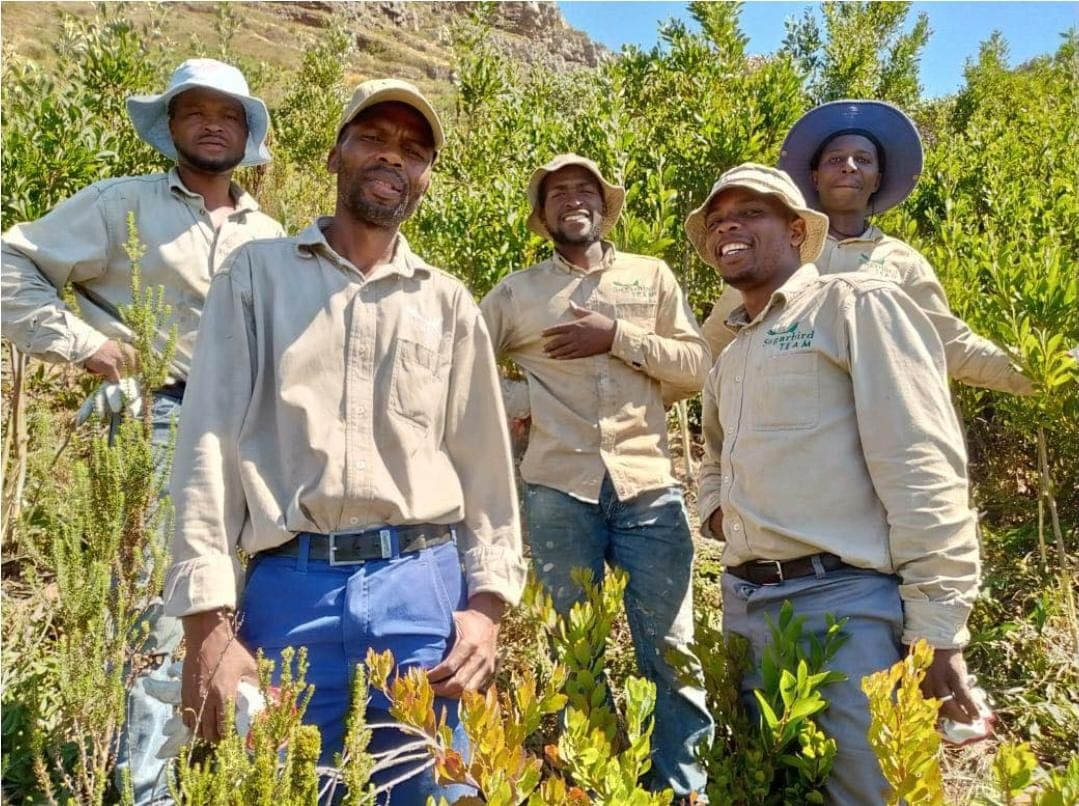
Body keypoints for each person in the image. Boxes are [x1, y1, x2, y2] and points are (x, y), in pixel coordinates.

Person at [163, 78, 526, 803]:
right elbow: (205, 442)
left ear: (425, 177)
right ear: (335, 155)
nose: (393, 159)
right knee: (286, 786)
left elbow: (485, 465)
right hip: (288, 590)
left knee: (427, 788)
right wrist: (205, 621)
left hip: (421, 588)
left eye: (413, 150)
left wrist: (486, 607)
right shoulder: (255, 277)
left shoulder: (447, 301)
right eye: (373, 139)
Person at [1, 58, 283, 804]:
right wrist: (86, 346)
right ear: (170, 126)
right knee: (160, 614)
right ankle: (142, 786)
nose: (211, 123)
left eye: (228, 112)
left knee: (240, 608)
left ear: (247, 129)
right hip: (158, 424)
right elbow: (9, 263)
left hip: (254, 438)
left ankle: (211, 772)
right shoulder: (120, 204)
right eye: (194, 111)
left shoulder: (272, 231)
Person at [687, 163, 982, 804]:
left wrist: (939, 628)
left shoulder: (859, 306)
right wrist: (717, 511)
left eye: (750, 213)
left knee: (867, 792)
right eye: (716, 221)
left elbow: (922, 466)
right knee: (776, 786)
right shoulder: (731, 354)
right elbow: (713, 457)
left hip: (846, 608)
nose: (727, 226)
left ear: (798, 231)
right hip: (745, 606)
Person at [480, 154, 715, 799]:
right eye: (558, 193)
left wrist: (617, 336)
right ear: (543, 212)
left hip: (649, 487)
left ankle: (679, 785)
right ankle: (597, 777)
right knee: (572, 648)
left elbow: (696, 367)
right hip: (557, 490)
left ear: (604, 207)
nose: (573, 200)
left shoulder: (652, 277)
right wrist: (522, 404)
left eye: (586, 191)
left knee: (669, 647)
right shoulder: (518, 291)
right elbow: (461, 367)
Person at [700, 100, 1032, 396]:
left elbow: (951, 346)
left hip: (878, 435)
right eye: (834, 159)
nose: (849, 166)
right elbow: (713, 345)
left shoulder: (902, 262)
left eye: (863, 159)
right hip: (787, 435)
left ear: (876, 179)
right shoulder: (778, 252)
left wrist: (1045, 373)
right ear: (814, 177)